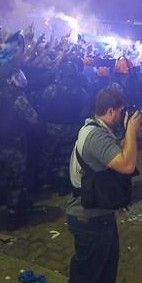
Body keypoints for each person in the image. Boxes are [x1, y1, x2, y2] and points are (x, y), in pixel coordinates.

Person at [63, 87, 142, 283]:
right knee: (82, 281)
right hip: (89, 218)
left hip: (100, 215)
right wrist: (131, 133)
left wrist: (129, 134)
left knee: (106, 276)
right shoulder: (96, 136)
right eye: (121, 111)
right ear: (110, 111)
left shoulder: (96, 129)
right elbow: (127, 166)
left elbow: (119, 155)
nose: (122, 115)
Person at [0, 64, 39, 230]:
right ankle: (12, 218)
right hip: (13, 148)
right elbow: (33, 119)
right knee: (14, 184)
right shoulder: (17, 96)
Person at [38, 61, 90, 195]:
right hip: (71, 129)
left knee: (48, 156)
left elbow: (43, 108)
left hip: (53, 129)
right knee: (66, 157)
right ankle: (62, 182)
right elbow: (84, 111)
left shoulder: (52, 89)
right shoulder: (80, 91)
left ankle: (46, 183)